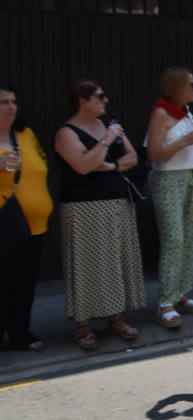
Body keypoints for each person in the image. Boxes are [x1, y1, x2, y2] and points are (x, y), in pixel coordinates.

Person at [53, 80, 144, 350]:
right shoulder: (66, 132)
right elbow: (82, 166)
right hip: (82, 207)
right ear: (82, 100)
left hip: (116, 203)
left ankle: (116, 317)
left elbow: (132, 158)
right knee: (85, 263)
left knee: (115, 262)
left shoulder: (110, 125)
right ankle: (83, 325)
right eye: (100, 97)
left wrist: (109, 165)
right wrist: (105, 141)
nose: (105, 101)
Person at [145, 67, 193, 330]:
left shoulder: (184, 111)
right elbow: (154, 153)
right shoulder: (161, 113)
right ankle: (165, 303)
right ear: (177, 86)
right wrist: (186, 140)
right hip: (169, 180)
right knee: (174, 239)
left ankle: (179, 294)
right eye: (191, 84)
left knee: (187, 236)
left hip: (189, 177)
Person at [0, 83, 52, 352]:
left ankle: (21, 333)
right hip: (3, 224)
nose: (10, 107)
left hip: (33, 225)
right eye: (3, 102)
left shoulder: (26, 134)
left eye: (12, 102)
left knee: (24, 283)